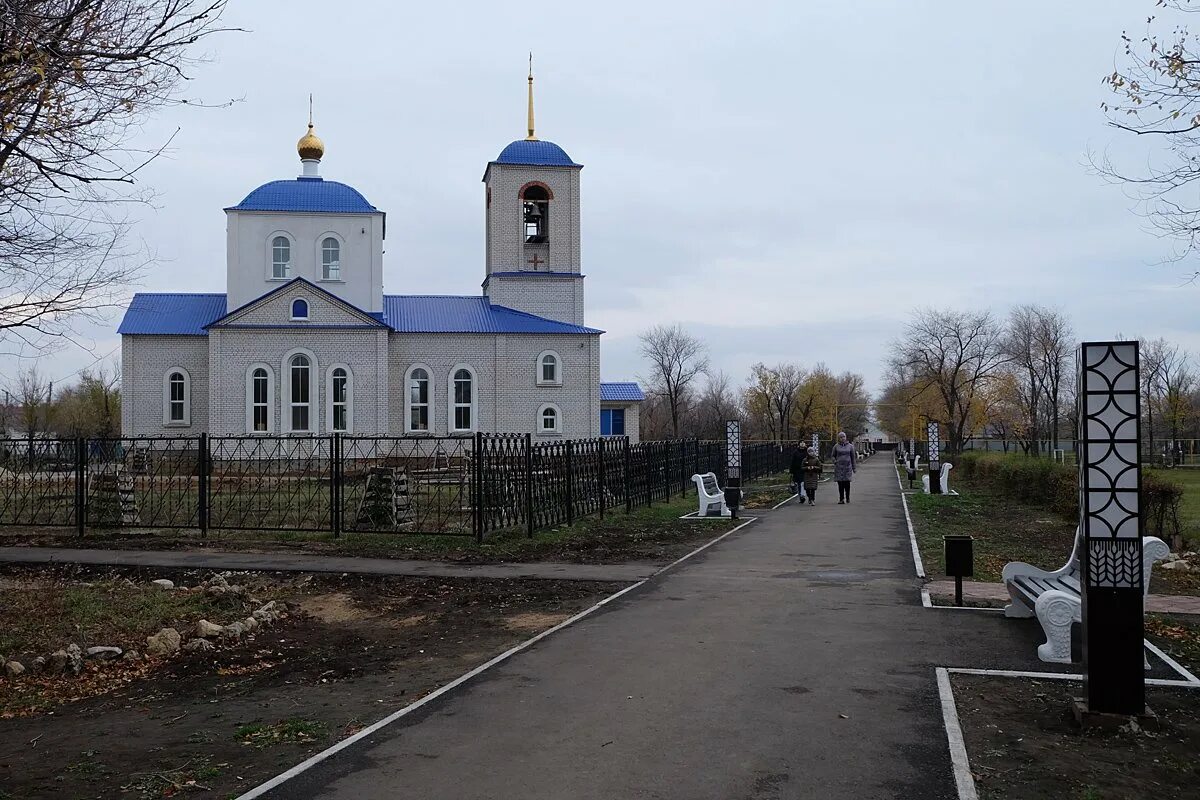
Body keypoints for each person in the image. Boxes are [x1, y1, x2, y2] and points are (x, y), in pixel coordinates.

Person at [831, 431, 857, 504]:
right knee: (840, 484)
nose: (842, 438)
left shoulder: (850, 446)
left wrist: (854, 468)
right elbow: (832, 455)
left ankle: (847, 497)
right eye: (841, 437)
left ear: (846, 437)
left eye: (844, 437)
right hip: (839, 468)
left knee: (847, 483)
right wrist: (835, 461)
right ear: (839, 438)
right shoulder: (836, 446)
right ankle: (841, 499)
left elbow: (853, 458)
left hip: (847, 468)